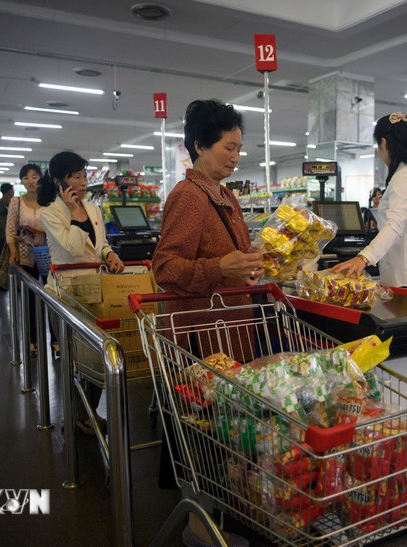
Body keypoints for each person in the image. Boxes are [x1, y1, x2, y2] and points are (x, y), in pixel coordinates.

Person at [152, 99, 257, 547]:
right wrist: (220, 268)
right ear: (199, 145)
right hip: (201, 337)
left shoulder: (225, 194)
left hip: (228, 333)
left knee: (223, 431)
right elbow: (165, 267)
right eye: (227, 147)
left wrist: (252, 267)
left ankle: (220, 516)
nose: (235, 156)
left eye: (238, 148)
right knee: (203, 432)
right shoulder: (188, 196)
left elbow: (230, 258)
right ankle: (198, 527)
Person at [39, 151, 124, 436]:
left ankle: (91, 414)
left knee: (98, 355)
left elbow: (98, 244)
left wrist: (110, 254)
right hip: (65, 294)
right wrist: (74, 211)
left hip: (94, 288)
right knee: (76, 359)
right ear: (58, 182)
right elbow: (73, 250)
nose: (83, 181)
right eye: (75, 176)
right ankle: (78, 416)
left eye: (84, 175)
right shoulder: (49, 213)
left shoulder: (95, 209)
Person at [330, 112, 407, 291]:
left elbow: (395, 224)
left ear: (384, 142)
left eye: (378, 147)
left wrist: (363, 258)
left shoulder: (405, 176)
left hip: (405, 278)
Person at [7, 164, 51, 352]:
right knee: (30, 300)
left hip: (49, 255)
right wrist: (13, 250)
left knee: (53, 298)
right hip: (26, 256)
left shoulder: (50, 201)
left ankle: (56, 340)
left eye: (34, 177)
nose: (31, 181)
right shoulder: (17, 202)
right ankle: (32, 340)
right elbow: (10, 229)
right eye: (26, 178)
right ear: (22, 181)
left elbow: (57, 228)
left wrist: (38, 230)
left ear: (41, 178)